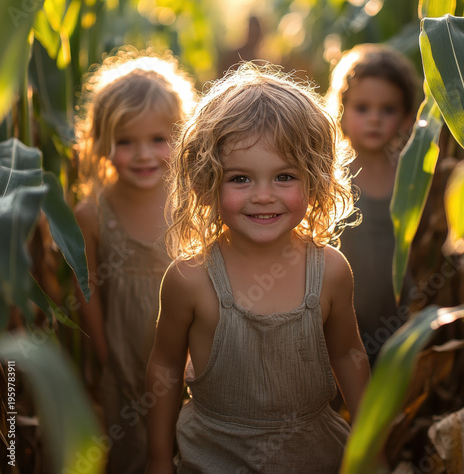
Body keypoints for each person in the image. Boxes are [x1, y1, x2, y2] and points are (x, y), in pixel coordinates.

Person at [146, 63, 370, 473]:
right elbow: (165, 365)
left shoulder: (331, 272)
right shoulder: (190, 278)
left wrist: (372, 448)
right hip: (213, 455)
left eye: (284, 176)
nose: (263, 196)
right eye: (240, 179)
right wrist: (160, 459)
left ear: (316, 179)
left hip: (312, 454)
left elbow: (348, 354)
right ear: (205, 181)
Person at [73, 46, 197, 474]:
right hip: (126, 358)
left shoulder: (191, 203)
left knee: (188, 445)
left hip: (190, 357)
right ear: (102, 143)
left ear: (182, 136)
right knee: (132, 451)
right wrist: (107, 355)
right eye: (126, 142)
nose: (144, 154)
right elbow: (85, 286)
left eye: (159, 139)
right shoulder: (93, 214)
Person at [325, 43, 419, 366]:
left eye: (388, 109)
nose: (375, 119)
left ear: (407, 117)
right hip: (343, 318)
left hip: (402, 316)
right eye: (362, 108)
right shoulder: (332, 177)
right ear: (341, 112)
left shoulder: (414, 174)